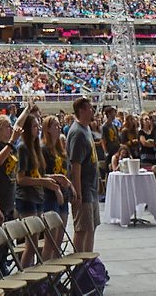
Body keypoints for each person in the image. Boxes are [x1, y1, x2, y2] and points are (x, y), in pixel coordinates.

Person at [65, 97, 100, 252]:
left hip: (91, 188)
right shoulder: (77, 133)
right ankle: (79, 265)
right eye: (89, 108)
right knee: (82, 229)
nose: (92, 110)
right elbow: (75, 165)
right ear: (82, 110)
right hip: (83, 189)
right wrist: (77, 193)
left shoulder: (86, 129)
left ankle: (88, 264)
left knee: (91, 228)